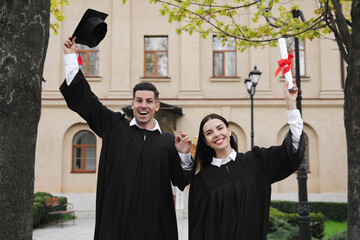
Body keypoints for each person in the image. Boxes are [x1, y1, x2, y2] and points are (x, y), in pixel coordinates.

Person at [60, 37, 192, 240]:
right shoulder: (115, 127)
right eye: (139, 100)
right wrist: (71, 57)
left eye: (149, 101)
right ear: (132, 103)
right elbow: (87, 101)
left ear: (157, 106)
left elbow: (181, 181)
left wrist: (183, 155)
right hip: (117, 225)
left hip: (154, 226)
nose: (143, 105)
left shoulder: (167, 141)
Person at [188, 81, 306, 240]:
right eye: (209, 133)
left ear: (229, 131)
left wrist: (291, 104)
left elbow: (291, 152)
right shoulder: (202, 181)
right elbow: (198, 229)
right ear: (205, 141)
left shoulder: (257, 161)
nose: (216, 134)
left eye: (220, 128)